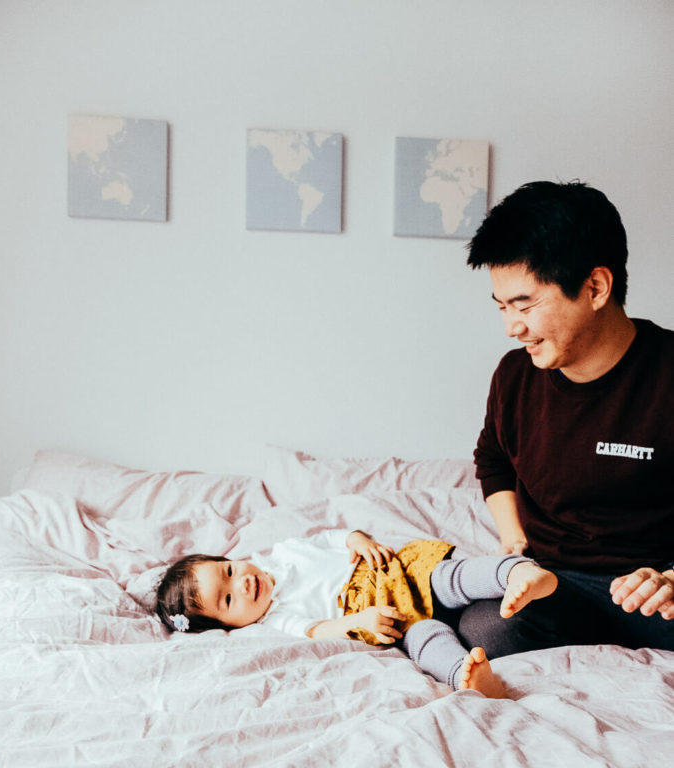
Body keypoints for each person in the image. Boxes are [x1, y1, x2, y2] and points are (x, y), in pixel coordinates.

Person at [459, 179, 674, 658]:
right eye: (501, 307)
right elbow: (493, 457)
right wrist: (514, 540)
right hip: (554, 582)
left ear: (595, 287)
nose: (512, 327)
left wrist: (670, 579)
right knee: (485, 628)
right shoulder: (515, 375)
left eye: (525, 304)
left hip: (655, 586)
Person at [155, 528, 558, 699]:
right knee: (423, 640)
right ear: (229, 626)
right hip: (385, 613)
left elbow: (329, 538)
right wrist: (356, 622)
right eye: (228, 600)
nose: (240, 583)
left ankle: (516, 572)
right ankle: (467, 677)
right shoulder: (275, 619)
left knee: (451, 577)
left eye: (229, 571)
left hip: (397, 573)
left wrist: (356, 539)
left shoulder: (285, 552)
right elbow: (316, 630)